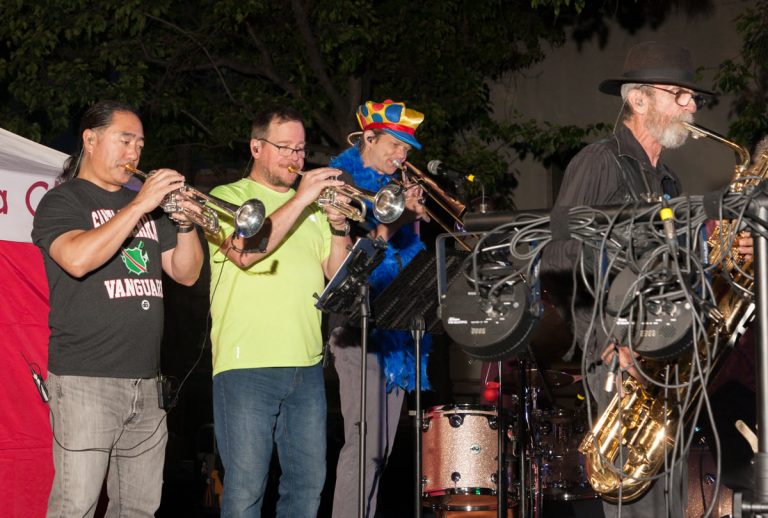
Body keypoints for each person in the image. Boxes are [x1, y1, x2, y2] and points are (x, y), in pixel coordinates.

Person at [541, 41, 723, 517]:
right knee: (633, 502)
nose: (692, 105)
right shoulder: (599, 161)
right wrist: (605, 345)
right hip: (619, 357)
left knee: (667, 500)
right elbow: (561, 259)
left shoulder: (669, 183)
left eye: (693, 97)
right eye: (679, 94)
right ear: (638, 100)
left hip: (665, 358)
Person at [32, 100, 204, 517]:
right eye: (124, 140)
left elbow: (186, 273)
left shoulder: (145, 208)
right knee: (76, 506)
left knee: (139, 509)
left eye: (140, 145)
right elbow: (76, 259)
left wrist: (183, 224)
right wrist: (140, 205)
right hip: (84, 382)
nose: (134, 153)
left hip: (146, 383)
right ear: (90, 140)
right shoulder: (63, 201)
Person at [204, 107, 352, 517]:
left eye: (302, 150)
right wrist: (303, 197)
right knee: (245, 491)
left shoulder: (316, 210)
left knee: (307, 488)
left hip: (306, 368)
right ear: (256, 147)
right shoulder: (226, 198)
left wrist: (338, 225)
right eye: (285, 147)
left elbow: (336, 277)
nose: (296, 158)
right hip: (246, 364)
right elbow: (245, 253)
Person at [328, 99, 430, 518]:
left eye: (407, 150)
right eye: (394, 146)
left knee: (381, 451)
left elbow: (406, 261)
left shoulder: (392, 187)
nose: (401, 156)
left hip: (395, 331)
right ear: (367, 138)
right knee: (363, 443)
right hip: (357, 328)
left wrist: (416, 221)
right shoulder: (343, 182)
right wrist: (397, 222)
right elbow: (353, 265)